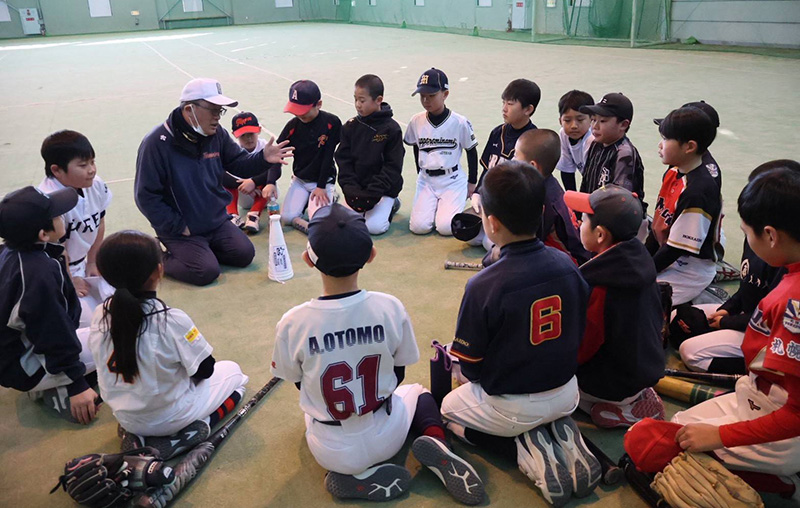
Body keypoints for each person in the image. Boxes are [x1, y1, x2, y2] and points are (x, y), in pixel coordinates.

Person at [270, 204, 484, 504]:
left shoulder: (292, 322)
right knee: (418, 392)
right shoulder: (390, 307)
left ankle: (351, 476)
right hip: (387, 437)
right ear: (371, 255)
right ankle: (436, 441)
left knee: (311, 408)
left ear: (308, 259)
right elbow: (400, 372)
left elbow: (296, 382)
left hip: (330, 449)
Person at [630, 162, 800, 500]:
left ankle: (777, 478)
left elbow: (795, 414)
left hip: (783, 423)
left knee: (649, 444)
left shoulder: (794, 300)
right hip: (759, 395)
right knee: (673, 427)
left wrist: (719, 438)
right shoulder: (790, 278)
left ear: (770, 235)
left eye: (748, 232)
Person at [438, 161, 599, 507]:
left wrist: (467, 377)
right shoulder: (568, 265)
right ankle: (554, 430)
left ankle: (522, 450)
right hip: (567, 392)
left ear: (492, 224)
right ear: (540, 212)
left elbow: (472, 369)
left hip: (511, 408)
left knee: (448, 411)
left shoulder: (482, 284)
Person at [90, 230, 249, 460]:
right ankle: (188, 433)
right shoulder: (171, 319)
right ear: (159, 270)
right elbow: (207, 369)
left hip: (124, 416)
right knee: (236, 374)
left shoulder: (99, 314)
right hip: (171, 417)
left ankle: (137, 435)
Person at [134, 77, 292, 286]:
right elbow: (145, 196)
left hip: (215, 221)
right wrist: (178, 226)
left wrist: (263, 158)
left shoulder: (216, 135)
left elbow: (239, 163)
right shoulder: (157, 142)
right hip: (182, 228)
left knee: (244, 254)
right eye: (213, 110)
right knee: (205, 272)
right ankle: (158, 255)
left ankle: (201, 250)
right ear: (189, 109)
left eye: (221, 111)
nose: (218, 117)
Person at [676, 160, 799, 374]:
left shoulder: (788, 278)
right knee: (677, 317)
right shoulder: (761, 243)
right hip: (747, 315)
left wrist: (726, 323)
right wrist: (727, 310)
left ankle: (751, 371)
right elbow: (747, 287)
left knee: (691, 352)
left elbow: (767, 322)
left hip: (766, 333)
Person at [563, 185, 665, 428]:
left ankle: (622, 408)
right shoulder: (636, 259)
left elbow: (582, 348)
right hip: (641, 367)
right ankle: (634, 396)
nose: (578, 223)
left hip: (616, 382)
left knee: (551, 386)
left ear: (600, 235)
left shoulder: (602, 284)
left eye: (584, 218)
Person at [0, 186, 99, 425]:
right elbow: (51, 329)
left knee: (93, 315)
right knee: (119, 337)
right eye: (57, 216)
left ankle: (52, 378)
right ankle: (60, 389)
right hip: (25, 364)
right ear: (43, 233)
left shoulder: (10, 251)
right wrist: (77, 383)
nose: (62, 216)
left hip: (14, 352)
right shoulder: (38, 273)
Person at [646, 106, 721, 305]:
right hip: (670, 254)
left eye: (665, 139)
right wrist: (642, 259)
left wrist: (644, 271)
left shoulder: (698, 191)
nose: (660, 145)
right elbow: (658, 224)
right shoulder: (674, 172)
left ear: (689, 147)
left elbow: (675, 249)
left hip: (691, 269)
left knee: (640, 297)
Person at [38, 130, 113, 328]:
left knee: (124, 301)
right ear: (56, 170)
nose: (91, 170)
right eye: (83, 165)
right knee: (96, 322)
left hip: (85, 263)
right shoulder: (48, 200)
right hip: (59, 273)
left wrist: (93, 261)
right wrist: (70, 281)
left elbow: (100, 222)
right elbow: (55, 249)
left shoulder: (95, 185)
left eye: (92, 162)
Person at [465, 78, 539, 251]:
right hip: (490, 201)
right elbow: (487, 169)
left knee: (488, 244)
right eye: (503, 102)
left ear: (528, 109)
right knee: (465, 232)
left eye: (511, 104)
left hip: (512, 207)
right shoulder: (498, 132)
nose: (504, 108)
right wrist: (477, 193)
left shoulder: (532, 139)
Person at [404, 68, 479, 236]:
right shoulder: (416, 121)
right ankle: (436, 205)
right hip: (426, 180)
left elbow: (471, 150)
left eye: (431, 96)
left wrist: (472, 183)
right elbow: (416, 147)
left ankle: (450, 205)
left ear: (445, 94)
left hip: (452, 180)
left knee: (446, 228)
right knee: (419, 228)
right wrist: (420, 173)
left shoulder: (459, 122)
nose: (426, 100)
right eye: (422, 96)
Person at [335, 74, 404, 235]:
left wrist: (372, 193)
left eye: (362, 100)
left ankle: (392, 203)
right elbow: (343, 162)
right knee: (342, 223)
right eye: (355, 99)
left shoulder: (392, 129)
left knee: (373, 227)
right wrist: (351, 190)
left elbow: (393, 168)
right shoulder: (350, 127)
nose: (358, 105)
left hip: (381, 191)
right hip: (357, 189)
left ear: (378, 100)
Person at [514, 129, 590, 265]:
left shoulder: (541, 199)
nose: (513, 161)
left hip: (571, 265)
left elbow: (529, 245)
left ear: (533, 166)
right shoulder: (550, 184)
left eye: (516, 156)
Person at [271, 80, 341, 226]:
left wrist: (321, 186)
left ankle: (330, 196)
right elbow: (277, 156)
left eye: (303, 110)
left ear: (319, 104)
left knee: (319, 221)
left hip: (323, 180)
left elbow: (328, 155)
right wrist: (270, 182)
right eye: (295, 110)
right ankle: (306, 201)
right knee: (287, 218)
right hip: (301, 180)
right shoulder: (292, 126)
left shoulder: (332, 122)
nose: (299, 115)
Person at [579, 92, 646, 217]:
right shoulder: (595, 144)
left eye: (603, 121)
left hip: (617, 221)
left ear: (623, 124)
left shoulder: (624, 154)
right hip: (593, 213)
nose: (595, 126)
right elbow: (586, 181)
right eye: (593, 120)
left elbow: (620, 200)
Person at [224, 111, 273, 234]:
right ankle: (233, 215)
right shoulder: (231, 149)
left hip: (262, 194)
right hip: (243, 193)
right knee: (225, 183)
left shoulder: (265, 146)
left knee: (269, 179)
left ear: (259, 130)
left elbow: (274, 169)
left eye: (251, 133)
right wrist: (244, 185)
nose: (248, 138)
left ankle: (254, 215)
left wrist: (254, 182)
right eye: (243, 135)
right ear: (234, 135)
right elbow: (221, 174)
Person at [555, 90, 594, 192]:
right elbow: (566, 170)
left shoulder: (593, 140)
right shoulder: (563, 134)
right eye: (567, 120)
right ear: (560, 121)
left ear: (591, 119)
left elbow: (592, 178)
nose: (574, 126)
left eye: (580, 120)